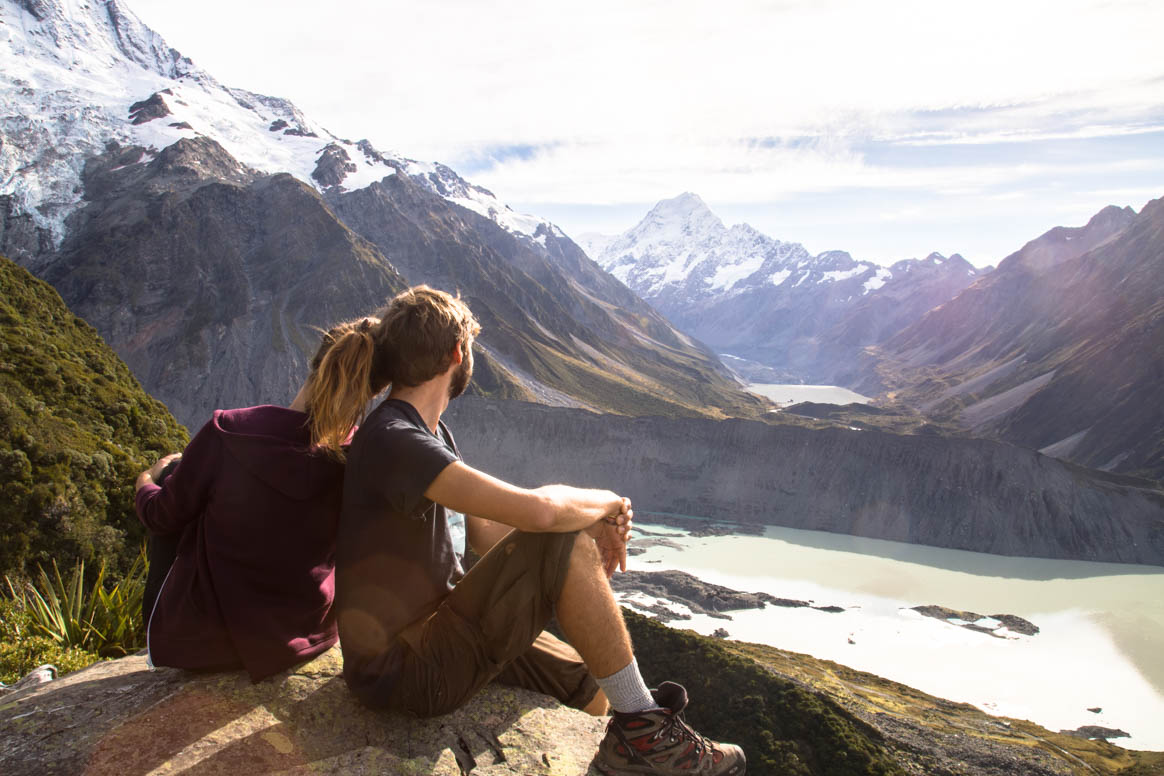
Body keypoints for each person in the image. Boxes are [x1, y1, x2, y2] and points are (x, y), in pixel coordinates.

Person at [332, 286, 745, 776]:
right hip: (406, 670)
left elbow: (484, 534)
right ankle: (647, 734)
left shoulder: (424, 433)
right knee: (560, 541)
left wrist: (590, 525)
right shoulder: (395, 439)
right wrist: (609, 505)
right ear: (457, 354)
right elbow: (540, 514)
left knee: (591, 686)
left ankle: (625, 745)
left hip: (431, 637)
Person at [134, 317, 379, 681]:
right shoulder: (362, 455)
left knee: (176, 473)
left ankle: (164, 628)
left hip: (205, 642)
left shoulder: (229, 431)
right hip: (309, 636)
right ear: (373, 391)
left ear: (318, 363)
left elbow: (161, 516)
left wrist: (145, 482)